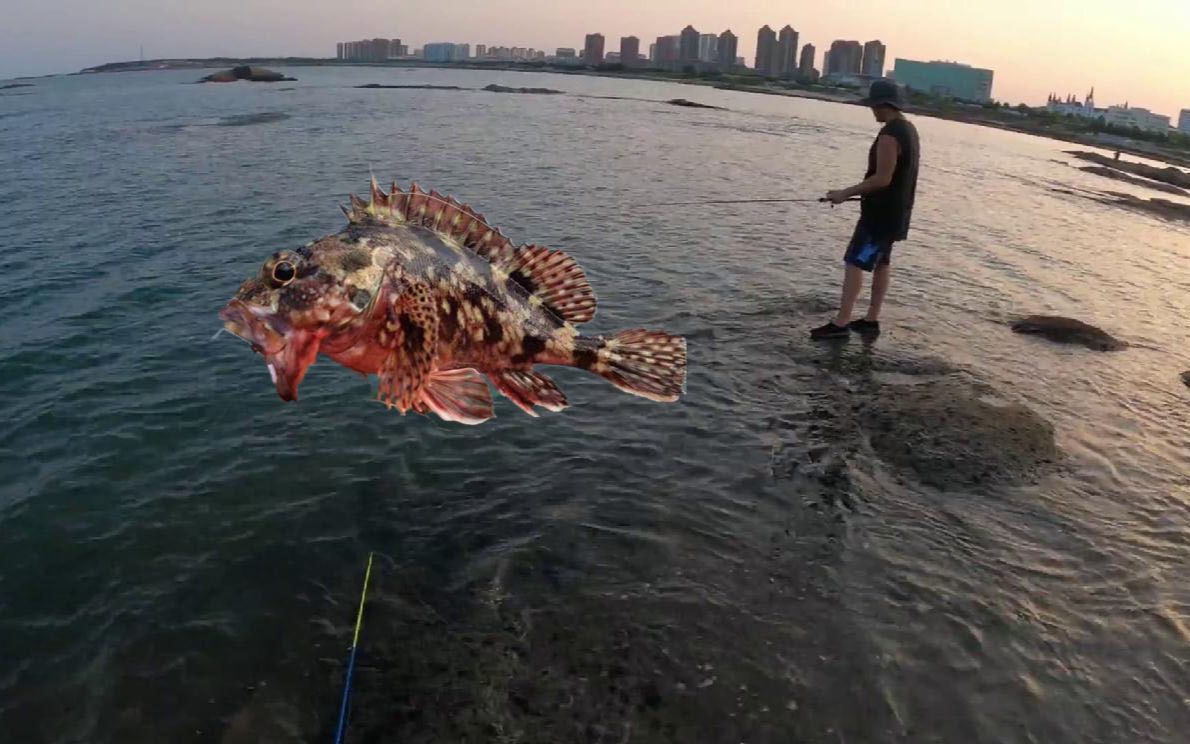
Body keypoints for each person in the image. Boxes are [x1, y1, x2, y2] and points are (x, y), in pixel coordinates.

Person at [811, 79, 920, 340]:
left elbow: (883, 179)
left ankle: (840, 323)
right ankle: (871, 320)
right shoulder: (909, 129)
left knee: (854, 262)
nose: (872, 110)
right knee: (882, 263)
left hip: (879, 217)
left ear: (883, 105)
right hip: (897, 213)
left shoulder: (889, 135)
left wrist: (843, 194)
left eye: (873, 105)